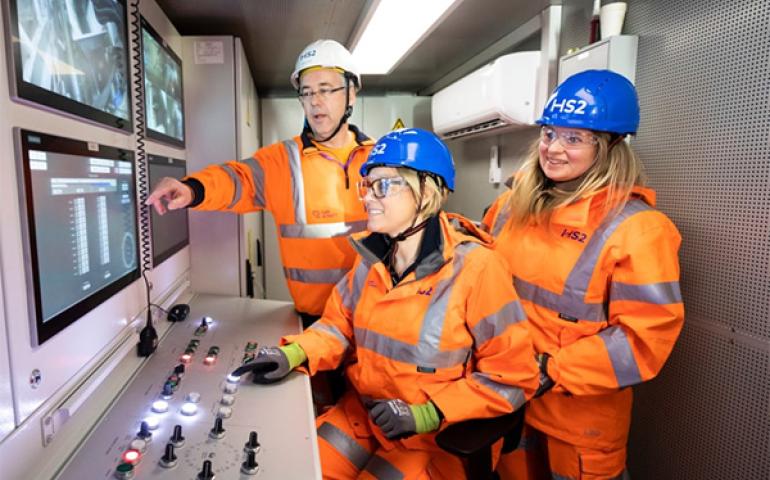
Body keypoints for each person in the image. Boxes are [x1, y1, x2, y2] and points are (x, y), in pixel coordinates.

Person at [234, 128, 540, 479]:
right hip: (363, 416)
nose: (367, 197)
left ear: (426, 191)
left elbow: (513, 378)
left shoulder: (477, 269)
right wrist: (294, 353)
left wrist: (427, 414)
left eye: (383, 185)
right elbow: (337, 327)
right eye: (367, 185)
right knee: (289, 470)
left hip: (431, 437)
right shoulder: (371, 260)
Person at [483, 70, 685, 479]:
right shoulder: (509, 208)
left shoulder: (638, 230)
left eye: (574, 138)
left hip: (579, 426)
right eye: (549, 134)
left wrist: (550, 369)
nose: (553, 149)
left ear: (610, 147)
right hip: (507, 403)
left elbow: (642, 342)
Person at [146, 39, 374, 327]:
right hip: (314, 322)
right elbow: (236, 179)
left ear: (351, 94)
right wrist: (192, 189)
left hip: (373, 319)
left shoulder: (381, 158)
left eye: (326, 89)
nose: (315, 101)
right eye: (306, 92)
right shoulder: (283, 160)